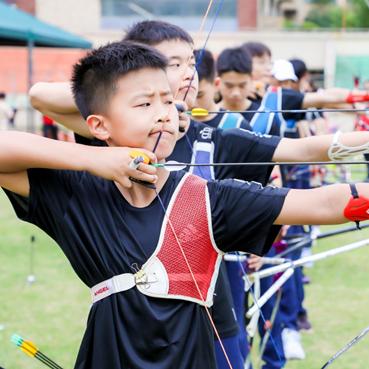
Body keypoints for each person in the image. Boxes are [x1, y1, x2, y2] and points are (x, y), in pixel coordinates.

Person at [3, 40, 369, 369]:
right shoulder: (78, 193)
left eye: (167, 100)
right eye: (144, 103)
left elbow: (326, 202)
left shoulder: (207, 197)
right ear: (99, 125)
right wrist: (93, 160)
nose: (163, 113)